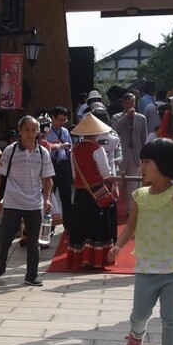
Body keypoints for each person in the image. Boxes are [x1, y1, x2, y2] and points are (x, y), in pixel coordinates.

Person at [109, 138, 173, 345]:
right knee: (140, 313)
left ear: (165, 164)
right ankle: (136, 333)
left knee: (171, 317)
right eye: (141, 161)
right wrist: (118, 246)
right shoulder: (140, 195)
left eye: (147, 162)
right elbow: (130, 226)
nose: (141, 166)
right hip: (146, 267)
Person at [0, 115, 54, 285]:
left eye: (33, 130)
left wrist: (47, 199)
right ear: (20, 131)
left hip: (34, 202)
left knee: (34, 242)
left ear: (38, 131)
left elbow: (47, 179)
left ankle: (32, 275)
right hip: (12, 201)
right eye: (27, 130)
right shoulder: (10, 151)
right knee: (5, 239)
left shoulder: (43, 153)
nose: (30, 134)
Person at [68, 112, 118, 270]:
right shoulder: (97, 149)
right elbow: (105, 172)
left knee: (81, 225)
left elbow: (74, 174)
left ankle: (81, 259)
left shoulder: (74, 150)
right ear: (97, 132)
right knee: (97, 226)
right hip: (96, 192)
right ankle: (95, 260)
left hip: (80, 194)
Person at [111, 91, 148, 217]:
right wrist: (126, 116)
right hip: (121, 154)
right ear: (123, 104)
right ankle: (113, 208)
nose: (130, 105)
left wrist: (144, 155)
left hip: (136, 154)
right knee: (118, 182)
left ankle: (131, 211)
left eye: (132, 103)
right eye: (128, 103)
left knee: (133, 183)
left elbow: (144, 138)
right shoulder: (116, 117)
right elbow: (114, 131)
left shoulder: (141, 118)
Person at [46, 106, 74, 231]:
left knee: (66, 195)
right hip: (50, 164)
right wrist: (55, 145)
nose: (62, 123)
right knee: (49, 195)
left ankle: (69, 225)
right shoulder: (46, 131)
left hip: (63, 164)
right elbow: (43, 147)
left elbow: (70, 148)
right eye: (60, 120)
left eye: (64, 120)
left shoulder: (65, 131)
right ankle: (49, 226)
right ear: (53, 118)